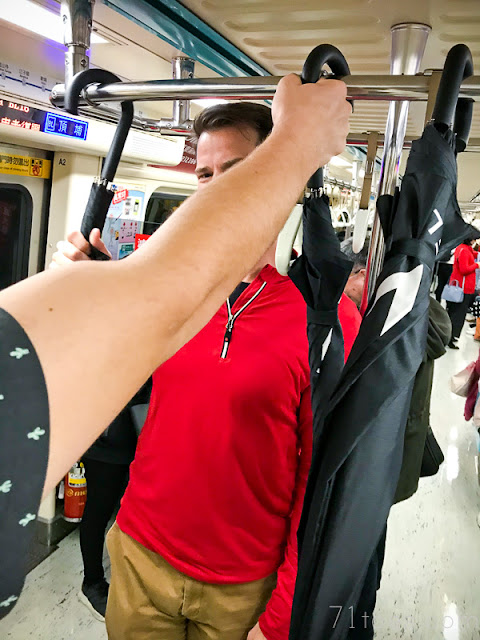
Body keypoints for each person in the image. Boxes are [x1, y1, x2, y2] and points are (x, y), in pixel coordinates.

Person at [0, 73, 351, 620]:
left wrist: (281, 612)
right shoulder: (164, 300)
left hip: (242, 581)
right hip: (141, 549)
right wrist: (89, 299)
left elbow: (321, 482)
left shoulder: (323, 319)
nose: (216, 191)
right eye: (205, 175)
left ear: (278, 182)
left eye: (239, 172)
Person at [350, 296, 451, 639]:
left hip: (376, 458)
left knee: (360, 565)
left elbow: (435, 336)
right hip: (368, 459)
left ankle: (359, 624)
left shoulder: (408, 304)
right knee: (362, 553)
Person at [78, 380, 151, 620]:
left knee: (135, 514)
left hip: (140, 437)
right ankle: (92, 583)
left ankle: (132, 582)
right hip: (107, 439)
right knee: (98, 511)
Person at [446, 239, 479, 349]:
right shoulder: (464, 250)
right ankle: (451, 337)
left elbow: (474, 253)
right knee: (458, 314)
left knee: (454, 311)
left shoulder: (463, 248)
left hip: (460, 286)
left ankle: (450, 335)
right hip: (463, 288)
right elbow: (464, 269)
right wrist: (476, 265)